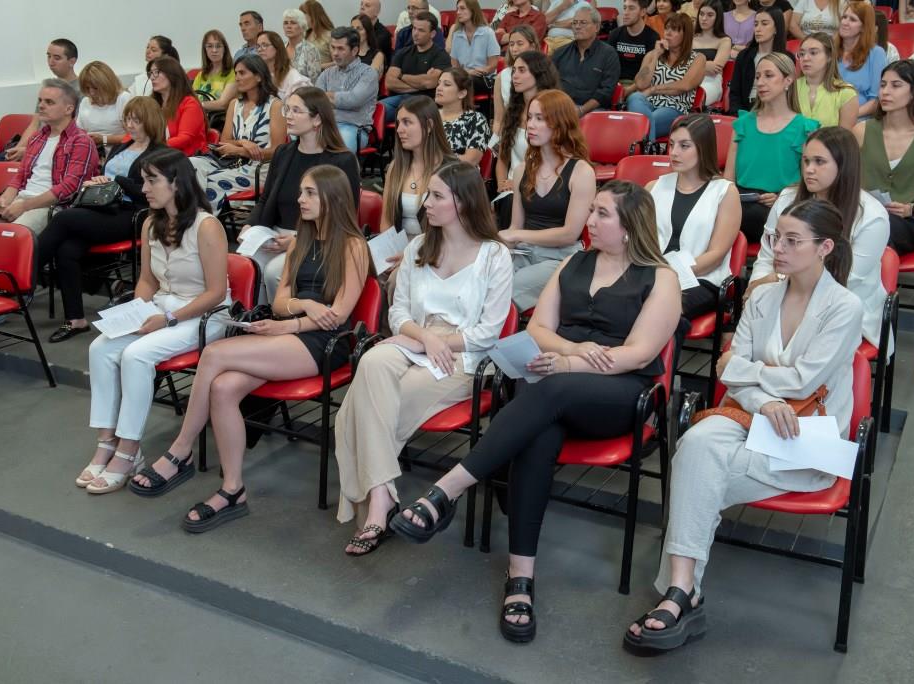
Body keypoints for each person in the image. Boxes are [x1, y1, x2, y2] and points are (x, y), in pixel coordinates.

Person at [388, 180, 681, 644]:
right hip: (559, 384)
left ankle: (448, 489)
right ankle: (519, 580)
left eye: (602, 214)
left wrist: (568, 362)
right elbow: (539, 327)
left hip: (619, 394)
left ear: (629, 228)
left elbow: (638, 354)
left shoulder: (659, 277)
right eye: (594, 211)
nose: (590, 220)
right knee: (538, 430)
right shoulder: (574, 263)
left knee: (544, 392)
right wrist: (572, 349)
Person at [625, 198, 861, 655]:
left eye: (793, 241)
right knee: (695, 442)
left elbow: (802, 379)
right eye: (776, 238)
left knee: (697, 471)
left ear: (825, 247)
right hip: (752, 413)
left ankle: (680, 593)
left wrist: (747, 373)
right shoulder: (764, 294)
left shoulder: (844, 306)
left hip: (806, 436)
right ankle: (683, 591)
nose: (778, 249)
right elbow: (726, 369)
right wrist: (761, 393)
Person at [129, 165, 372, 529]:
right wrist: (303, 307)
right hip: (290, 331)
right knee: (224, 388)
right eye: (301, 192)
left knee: (213, 354)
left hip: (323, 344)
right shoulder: (301, 240)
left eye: (309, 193)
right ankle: (233, 489)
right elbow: (280, 300)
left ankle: (180, 450)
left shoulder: (354, 246)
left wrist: (289, 323)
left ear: (332, 199)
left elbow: (337, 317)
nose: (300, 200)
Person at [334, 160, 512, 555]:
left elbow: (489, 332)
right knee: (372, 363)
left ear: (462, 203)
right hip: (417, 340)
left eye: (435, 196)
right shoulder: (418, 246)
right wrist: (423, 337)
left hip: (462, 357)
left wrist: (440, 343)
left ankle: (377, 505)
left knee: (360, 413)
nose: (424, 204)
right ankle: (382, 497)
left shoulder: (495, 256)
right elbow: (398, 314)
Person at [79, 148, 230, 494]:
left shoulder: (207, 227)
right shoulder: (151, 222)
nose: (144, 188)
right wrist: (136, 312)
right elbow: (147, 279)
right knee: (101, 347)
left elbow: (217, 292)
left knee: (136, 355)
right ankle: (106, 441)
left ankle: (130, 449)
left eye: (152, 180)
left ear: (176, 183)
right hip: (162, 306)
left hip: (204, 313)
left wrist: (167, 318)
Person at [748, 126, 890, 351]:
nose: (809, 170)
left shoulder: (871, 216)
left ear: (843, 166)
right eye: (805, 161)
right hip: (781, 299)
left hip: (840, 307)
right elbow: (767, 256)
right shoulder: (787, 199)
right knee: (752, 340)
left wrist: (775, 281)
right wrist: (758, 287)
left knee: (781, 351)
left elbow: (846, 279)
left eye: (819, 162)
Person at [40, 97, 168, 343]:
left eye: (136, 120)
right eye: (127, 119)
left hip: (132, 215)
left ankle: (25, 275)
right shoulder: (123, 146)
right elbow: (106, 176)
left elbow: (147, 195)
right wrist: (96, 182)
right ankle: (76, 320)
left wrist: (117, 181)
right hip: (105, 208)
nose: (130, 125)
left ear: (150, 122)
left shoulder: (160, 153)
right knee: (67, 250)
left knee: (63, 219)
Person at [239, 87, 361, 301]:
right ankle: (252, 319)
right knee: (243, 265)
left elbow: (344, 216)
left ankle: (281, 321)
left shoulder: (342, 160)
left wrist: (296, 240)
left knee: (274, 272)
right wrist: (250, 225)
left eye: (296, 110)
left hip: (319, 240)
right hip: (275, 236)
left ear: (316, 120)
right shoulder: (284, 153)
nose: (288, 116)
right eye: (287, 109)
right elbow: (266, 198)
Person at [501, 89, 596, 310]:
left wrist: (516, 234)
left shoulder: (581, 171)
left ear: (560, 123)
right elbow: (516, 225)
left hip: (560, 258)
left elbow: (569, 234)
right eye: (530, 117)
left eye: (540, 119)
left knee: (502, 294)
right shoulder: (521, 170)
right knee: (481, 281)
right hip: (523, 252)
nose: (530, 125)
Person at [648, 115, 740, 319]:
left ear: (703, 148)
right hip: (652, 275)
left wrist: (668, 275)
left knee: (660, 310)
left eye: (684, 146)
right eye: (671, 145)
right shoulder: (654, 187)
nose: (674, 153)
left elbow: (715, 256)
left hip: (701, 279)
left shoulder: (725, 192)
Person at [0, 79, 97, 234]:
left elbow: (68, 188)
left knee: (9, 237)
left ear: (69, 109)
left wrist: (24, 206)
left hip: (50, 207)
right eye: (40, 100)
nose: (41, 106)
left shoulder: (81, 141)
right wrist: (4, 201)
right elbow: (20, 177)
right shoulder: (37, 138)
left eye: (49, 102)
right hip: (20, 201)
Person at [725, 52, 820, 243]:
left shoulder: (805, 129)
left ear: (788, 80)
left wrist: (781, 197)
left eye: (768, 76)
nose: (760, 83)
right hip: (742, 200)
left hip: (783, 202)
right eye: (758, 76)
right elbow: (728, 179)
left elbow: (810, 183)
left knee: (766, 218)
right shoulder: (743, 124)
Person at [853, 60, 914, 255]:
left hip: (903, 222)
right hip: (861, 214)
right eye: (883, 85)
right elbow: (846, 180)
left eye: (896, 85)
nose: (885, 92)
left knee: (880, 230)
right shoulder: (862, 130)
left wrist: (909, 209)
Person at [191, 55, 286, 214]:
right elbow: (224, 141)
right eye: (236, 73)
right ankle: (191, 222)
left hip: (259, 169)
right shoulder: (234, 104)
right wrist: (243, 143)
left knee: (210, 182)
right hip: (231, 161)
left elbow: (278, 150)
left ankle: (202, 228)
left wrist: (240, 151)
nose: (237, 78)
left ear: (258, 76)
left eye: (242, 73)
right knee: (188, 165)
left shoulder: (275, 106)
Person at [0, 39, 82, 166]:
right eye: (48, 56)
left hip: (51, 151)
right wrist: (17, 149)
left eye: (57, 58)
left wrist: (29, 151)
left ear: (72, 61)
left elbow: (71, 131)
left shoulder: (81, 90)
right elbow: (34, 125)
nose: (51, 62)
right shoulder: (48, 88)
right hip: (33, 146)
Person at [380, 96, 455, 247]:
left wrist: (411, 256)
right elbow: (386, 222)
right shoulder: (396, 167)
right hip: (399, 251)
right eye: (398, 123)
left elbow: (456, 230)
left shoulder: (452, 170)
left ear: (428, 126)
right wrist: (389, 255)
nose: (399, 129)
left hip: (438, 250)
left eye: (407, 122)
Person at [626, 14, 706, 139]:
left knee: (641, 124)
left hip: (674, 107)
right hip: (647, 103)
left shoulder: (697, 58)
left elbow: (685, 85)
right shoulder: (653, 54)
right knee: (635, 97)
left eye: (674, 29)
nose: (668, 33)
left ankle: (641, 147)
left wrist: (654, 89)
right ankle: (648, 149)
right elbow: (641, 84)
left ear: (685, 35)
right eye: (667, 28)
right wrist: (656, 55)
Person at [495, 52, 559, 202]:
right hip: (510, 188)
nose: (514, 76)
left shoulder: (554, 112)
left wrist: (519, 183)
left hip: (543, 185)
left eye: (522, 70)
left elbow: (556, 161)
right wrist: (501, 185)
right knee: (506, 201)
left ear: (538, 74)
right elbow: (502, 159)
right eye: (514, 71)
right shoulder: (512, 112)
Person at [316, 26, 380, 155]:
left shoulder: (368, 74)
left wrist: (327, 96)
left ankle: (342, 175)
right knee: (297, 138)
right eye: (333, 47)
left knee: (340, 143)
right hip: (325, 126)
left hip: (353, 128)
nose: (335, 53)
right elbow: (316, 100)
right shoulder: (326, 74)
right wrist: (338, 98)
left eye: (340, 48)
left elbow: (353, 100)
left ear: (354, 50)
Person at [381, 12, 452, 123]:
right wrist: (421, 84)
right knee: (374, 110)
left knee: (378, 115)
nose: (415, 33)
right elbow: (390, 83)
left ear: (432, 34)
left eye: (421, 30)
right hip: (399, 99)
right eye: (414, 28)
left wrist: (401, 76)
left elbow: (429, 82)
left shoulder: (441, 55)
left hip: (424, 103)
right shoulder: (402, 53)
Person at [551, 6, 621, 115]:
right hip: (561, 109)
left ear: (597, 27)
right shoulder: (560, 53)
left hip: (594, 111)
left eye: (583, 23)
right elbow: (549, 83)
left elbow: (605, 92)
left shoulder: (608, 54)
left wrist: (581, 110)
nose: (577, 27)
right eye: (574, 23)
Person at [728, 6, 792, 114]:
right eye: (756, 24)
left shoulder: (786, 58)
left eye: (764, 23)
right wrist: (739, 115)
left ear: (776, 28)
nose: (758, 29)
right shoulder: (744, 56)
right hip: (746, 110)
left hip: (775, 111)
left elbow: (788, 94)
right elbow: (735, 93)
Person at [835, 2, 887, 119]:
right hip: (828, 116)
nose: (845, 22)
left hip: (859, 118)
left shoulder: (876, 54)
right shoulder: (830, 50)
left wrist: (847, 116)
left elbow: (876, 101)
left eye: (852, 20)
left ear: (863, 27)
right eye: (844, 17)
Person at [795, 31, 858, 127]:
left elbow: (845, 138)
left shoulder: (846, 93)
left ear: (829, 57)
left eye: (813, 53)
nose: (805, 58)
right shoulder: (790, 88)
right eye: (802, 54)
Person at [150, 57, 209, 157]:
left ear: (171, 74)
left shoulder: (189, 103)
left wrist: (151, 148)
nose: (152, 77)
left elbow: (184, 138)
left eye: (156, 72)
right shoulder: (152, 104)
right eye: (150, 73)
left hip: (189, 158)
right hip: (162, 155)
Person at [492, 26, 539, 143]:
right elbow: (498, 119)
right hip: (508, 133)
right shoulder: (501, 76)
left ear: (532, 46)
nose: (514, 49)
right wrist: (497, 141)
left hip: (535, 133)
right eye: (511, 44)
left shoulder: (542, 73)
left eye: (519, 44)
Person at [437, 68, 493, 165]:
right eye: (439, 83)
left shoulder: (475, 120)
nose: (439, 88)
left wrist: (435, 160)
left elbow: (471, 160)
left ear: (462, 93)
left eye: (446, 84)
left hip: (458, 175)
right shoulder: (429, 116)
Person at [76, 62, 133, 151]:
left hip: (119, 153)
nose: (91, 93)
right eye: (87, 88)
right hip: (91, 153)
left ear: (107, 84)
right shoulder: (85, 101)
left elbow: (133, 136)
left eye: (95, 88)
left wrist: (104, 140)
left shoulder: (123, 99)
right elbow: (79, 131)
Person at [448, 0, 501, 95]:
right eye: (457, 9)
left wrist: (483, 70)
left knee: (465, 82)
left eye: (462, 8)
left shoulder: (488, 33)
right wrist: (468, 72)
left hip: (484, 78)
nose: (458, 12)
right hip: (464, 76)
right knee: (447, 79)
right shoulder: (457, 34)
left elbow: (493, 65)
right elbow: (454, 66)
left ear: (473, 10)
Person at [610, 0, 662, 95]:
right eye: (625, 8)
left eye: (631, 8)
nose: (625, 13)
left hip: (640, 86)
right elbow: (608, 67)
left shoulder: (653, 37)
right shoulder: (615, 34)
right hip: (615, 84)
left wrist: (629, 89)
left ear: (643, 12)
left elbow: (650, 71)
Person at [193, 31, 238, 123]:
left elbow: (222, 104)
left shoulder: (233, 73)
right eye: (209, 46)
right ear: (205, 50)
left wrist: (199, 105)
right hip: (200, 119)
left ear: (224, 49)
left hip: (221, 122)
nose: (214, 50)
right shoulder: (201, 75)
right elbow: (192, 99)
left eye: (218, 46)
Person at [693, 0, 733, 106]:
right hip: (688, 78)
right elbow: (679, 64)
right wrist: (705, 65)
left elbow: (714, 69)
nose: (704, 18)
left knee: (696, 94)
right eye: (701, 14)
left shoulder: (724, 40)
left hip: (711, 81)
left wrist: (689, 65)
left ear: (718, 18)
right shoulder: (691, 37)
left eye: (710, 15)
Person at [257, 30, 312, 101]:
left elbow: (301, 102)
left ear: (277, 47)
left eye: (265, 45)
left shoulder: (292, 75)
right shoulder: (258, 74)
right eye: (258, 46)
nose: (260, 49)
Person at [284, 8, 325, 82]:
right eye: (286, 23)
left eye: (293, 23)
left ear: (302, 27)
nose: (288, 26)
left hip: (304, 91)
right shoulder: (280, 48)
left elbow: (314, 81)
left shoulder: (310, 49)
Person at [300, 0, 335, 68]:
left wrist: (317, 67)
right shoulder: (306, 34)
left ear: (313, 15)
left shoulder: (330, 35)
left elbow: (337, 62)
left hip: (324, 76)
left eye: (303, 15)